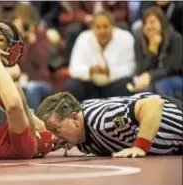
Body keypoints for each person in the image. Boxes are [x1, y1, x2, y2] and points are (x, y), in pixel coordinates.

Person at [37, 91, 182, 158]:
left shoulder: (103, 121)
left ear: (75, 118)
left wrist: (140, 147)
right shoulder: (80, 131)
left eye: (56, 130)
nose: (55, 138)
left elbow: (152, 105)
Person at [65, 11, 135, 102]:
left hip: (114, 84)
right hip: (90, 84)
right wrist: (90, 70)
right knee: (72, 86)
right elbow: (73, 69)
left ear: (113, 27)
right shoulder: (83, 38)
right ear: (92, 29)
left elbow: (130, 68)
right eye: (98, 27)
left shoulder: (126, 38)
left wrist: (110, 72)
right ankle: (77, 115)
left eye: (105, 27)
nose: (102, 31)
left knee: (127, 86)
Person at [131, 7, 182, 98]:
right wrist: (152, 50)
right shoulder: (140, 41)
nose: (148, 26)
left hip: (176, 78)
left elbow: (173, 68)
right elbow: (141, 70)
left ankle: (168, 111)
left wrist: (150, 75)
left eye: (152, 22)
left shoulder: (175, 38)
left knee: (162, 85)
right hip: (153, 80)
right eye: (145, 23)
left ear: (162, 23)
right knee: (142, 89)